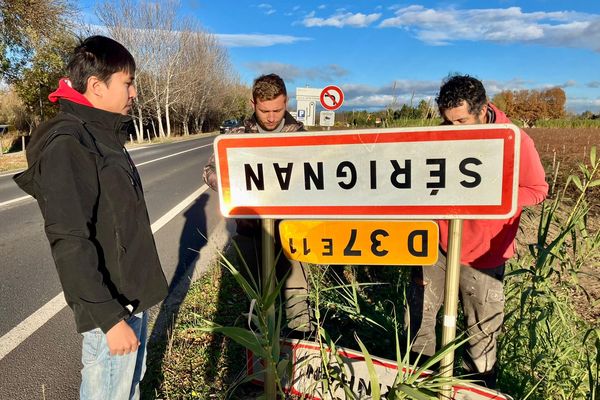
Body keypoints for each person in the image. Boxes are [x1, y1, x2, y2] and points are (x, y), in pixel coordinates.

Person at [13, 36, 168, 399]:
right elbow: (69, 241)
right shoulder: (70, 143)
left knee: (126, 391)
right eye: (127, 83)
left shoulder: (102, 134)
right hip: (111, 309)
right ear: (97, 87)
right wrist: (111, 321)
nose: (133, 93)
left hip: (129, 299)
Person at [406, 74, 548, 388]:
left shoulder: (515, 141)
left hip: (484, 254)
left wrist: (493, 199)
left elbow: (537, 189)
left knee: (481, 335)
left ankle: (475, 390)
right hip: (436, 245)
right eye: (447, 122)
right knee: (420, 320)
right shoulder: (441, 136)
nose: (453, 130)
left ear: (483, 109)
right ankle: (417, 386)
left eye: (461, 121)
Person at [203, 73, 313, 335]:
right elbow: (208, 170)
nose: (272, 117)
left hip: (291, 233)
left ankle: (302, 343)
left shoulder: (300, 135)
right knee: (256, 295)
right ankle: (261, 350)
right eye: (265, 111)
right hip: (251, 232)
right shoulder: (236, 136)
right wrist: (227, 182)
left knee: (297, 290)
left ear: (286, 101)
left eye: (278, 109)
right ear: (253, 103)